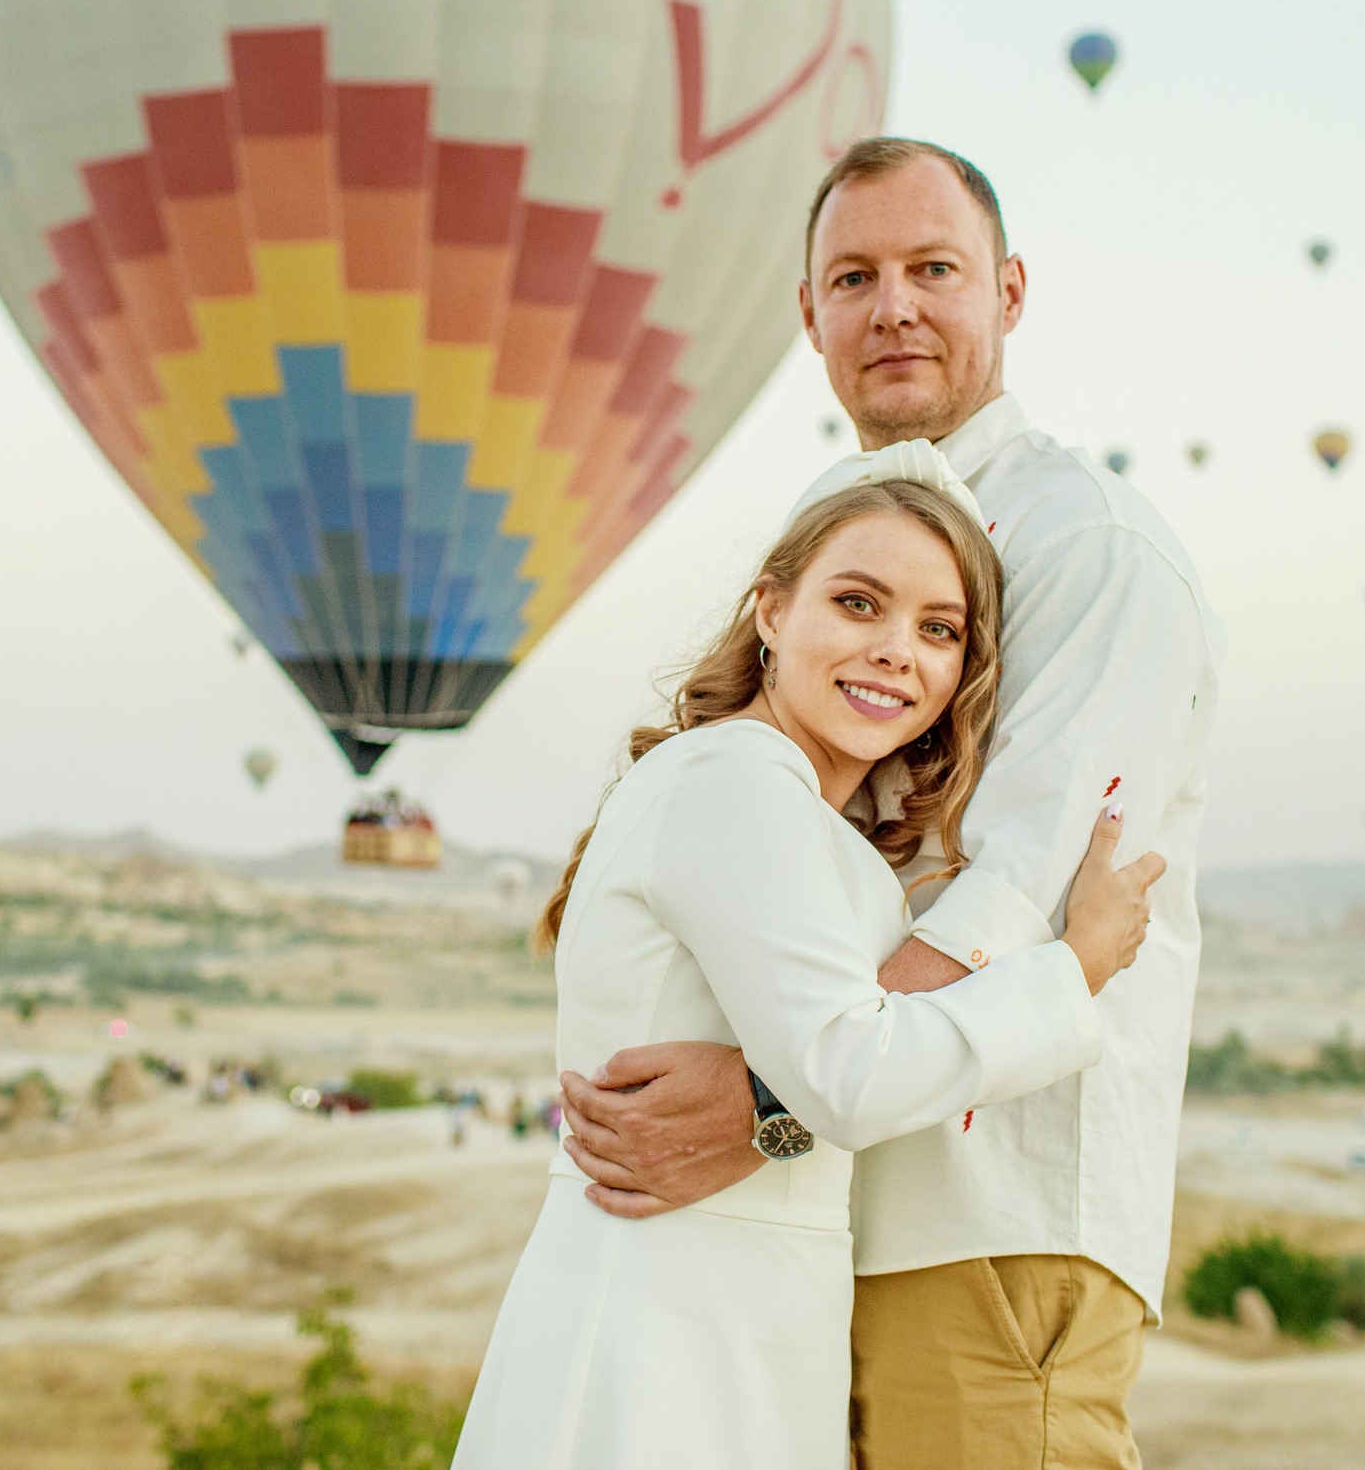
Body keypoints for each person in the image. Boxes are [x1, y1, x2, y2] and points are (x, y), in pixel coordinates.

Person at [559, 138, 1223, 1469]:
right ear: (808, 314)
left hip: (991, 1207)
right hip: (828, 1207)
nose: (896, 305)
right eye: (854, 275)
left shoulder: (1085, 542)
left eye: (935, 268)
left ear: (1010, 291)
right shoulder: (840, 532)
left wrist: (771, 1101)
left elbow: (1018, 891)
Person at [450, 464, 1164, 1469]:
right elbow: (850, 1074)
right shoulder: (736, 781)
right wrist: (1075, 967)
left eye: (938, 629)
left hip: (734, 1306)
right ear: (770, 611)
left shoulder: (774, 802)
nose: (893, 651)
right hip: (672, 1321)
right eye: (857, 602)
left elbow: (811, 1082)